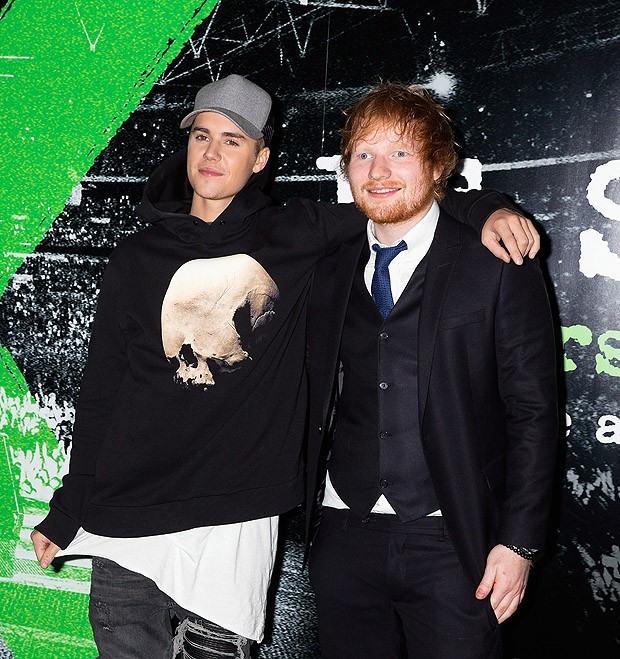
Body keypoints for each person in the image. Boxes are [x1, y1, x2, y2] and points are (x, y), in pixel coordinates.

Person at [30, 74, 539, 658]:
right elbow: (101, 394)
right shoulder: (135, 258)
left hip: (234, 518)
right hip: (127, 510)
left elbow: (398, 197)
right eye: (202, 136)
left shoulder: (297, 233)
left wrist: (489, 208)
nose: (213, 153)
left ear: (261, 158)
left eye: (233, 140)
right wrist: (69, 507)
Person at [305, 82, 558, 658]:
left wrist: (518, 545)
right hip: (343, 534)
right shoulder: (326, 262)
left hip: (455, 542)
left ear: (439, 164)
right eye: (363, 153)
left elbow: (534, 413)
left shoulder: (494, 261)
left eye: (401, 152)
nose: (378, 170)